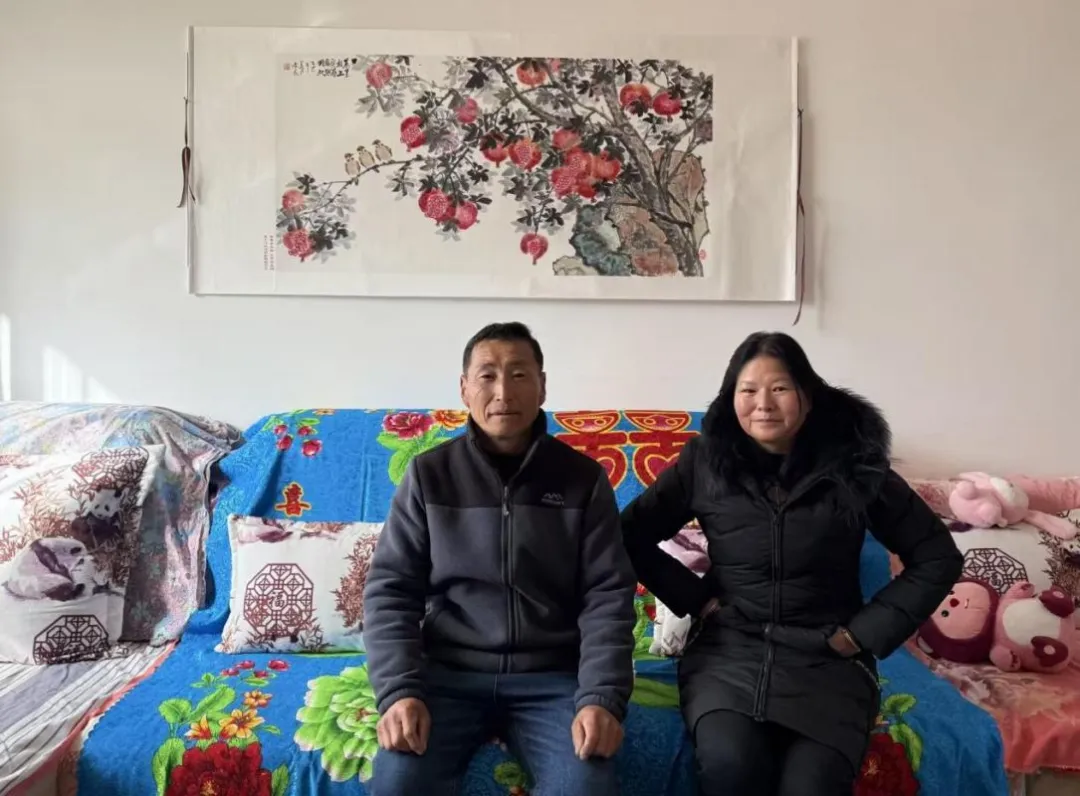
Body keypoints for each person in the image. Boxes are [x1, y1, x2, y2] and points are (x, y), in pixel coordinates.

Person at [621, 331, 963, 796]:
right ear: (730, 398)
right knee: (731, 767)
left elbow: (936, 556)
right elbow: (629, 535)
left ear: (808, 395)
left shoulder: (854, 465)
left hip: (828, 658)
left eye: (779, 388)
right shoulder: (704, 462)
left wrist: (860, 635)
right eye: (748, 390)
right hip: (729, 653)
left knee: (812, 785)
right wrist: (697, 599)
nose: (763, 404)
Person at [363, 321, 637, 796]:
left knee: (586, 786)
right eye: (487, 375)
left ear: (542, 386)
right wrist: (399, 691)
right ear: (464, 388)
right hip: (448, 676)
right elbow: (391, 589)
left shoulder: (582, 480)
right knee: (397, 784)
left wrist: (601, 697)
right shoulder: (430, 475)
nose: (503, 392)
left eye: (519, 374)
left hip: (552, 679)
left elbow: (607, 596)